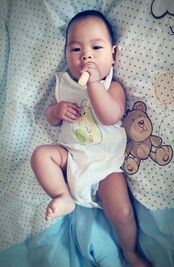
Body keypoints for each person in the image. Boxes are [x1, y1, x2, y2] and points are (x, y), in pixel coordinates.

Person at [31, 10, 151, 267]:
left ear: (113, 55)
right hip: (71, 160)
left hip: (106, 168)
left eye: (96, 47)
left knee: (122, 211)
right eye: (76, 50)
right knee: (41, 155)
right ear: (66, 56)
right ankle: (62, 195)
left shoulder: (112, 87)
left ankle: (129, 251)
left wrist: (94, 84)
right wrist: (56, 110)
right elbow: (50, 119)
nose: (86, 55)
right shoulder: (62, 85)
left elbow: (110, 116)